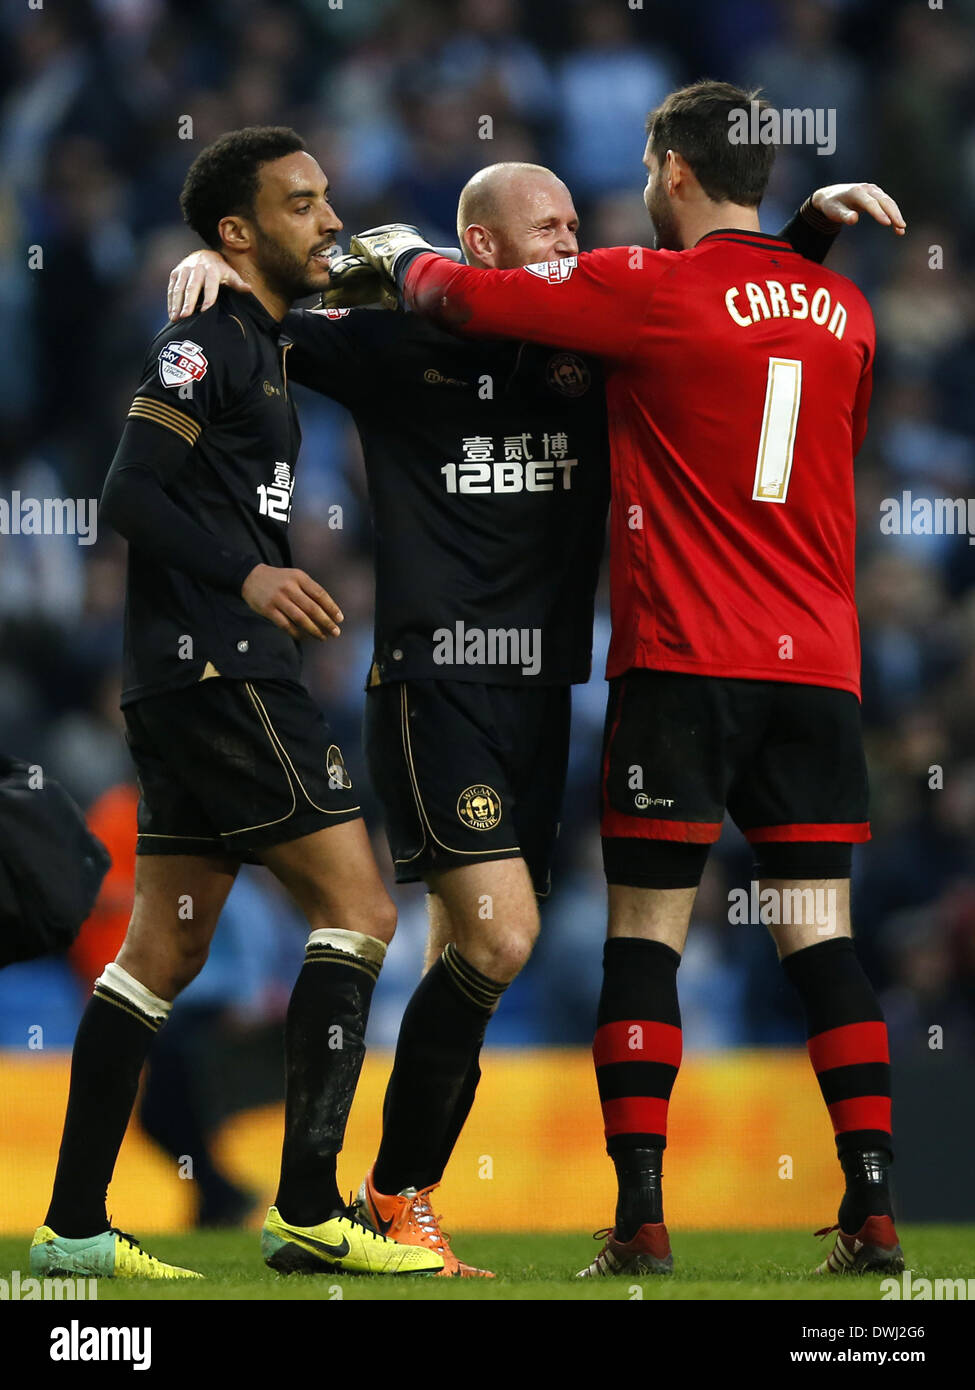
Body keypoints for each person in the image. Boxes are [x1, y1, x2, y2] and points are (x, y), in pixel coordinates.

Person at [170, 150, 900, 1274]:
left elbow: (728, 324)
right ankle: (364, 1191)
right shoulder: (387, 343)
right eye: (549, 227)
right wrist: (216, 273)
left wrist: (800, 236)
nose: (575, 242)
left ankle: (386, 1194)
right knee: (502, 934)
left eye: (574, 224)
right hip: (434, 680)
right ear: (484, 249)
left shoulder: (597, 348)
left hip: (547, 693)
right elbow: (257, 327)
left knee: (477, 950)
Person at [30, 126, 444, 1281]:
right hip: (220, 665)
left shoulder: (261, 331)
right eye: (300, 203)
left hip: (188, 674)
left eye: (326, 198)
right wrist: (250, 573)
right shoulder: (207, 341)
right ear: (234, 231)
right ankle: (310, 1204)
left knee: (156, 952)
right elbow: (125, 492)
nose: (326, 218)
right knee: (359, 908)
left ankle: (69, 1229)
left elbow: (379, 259)